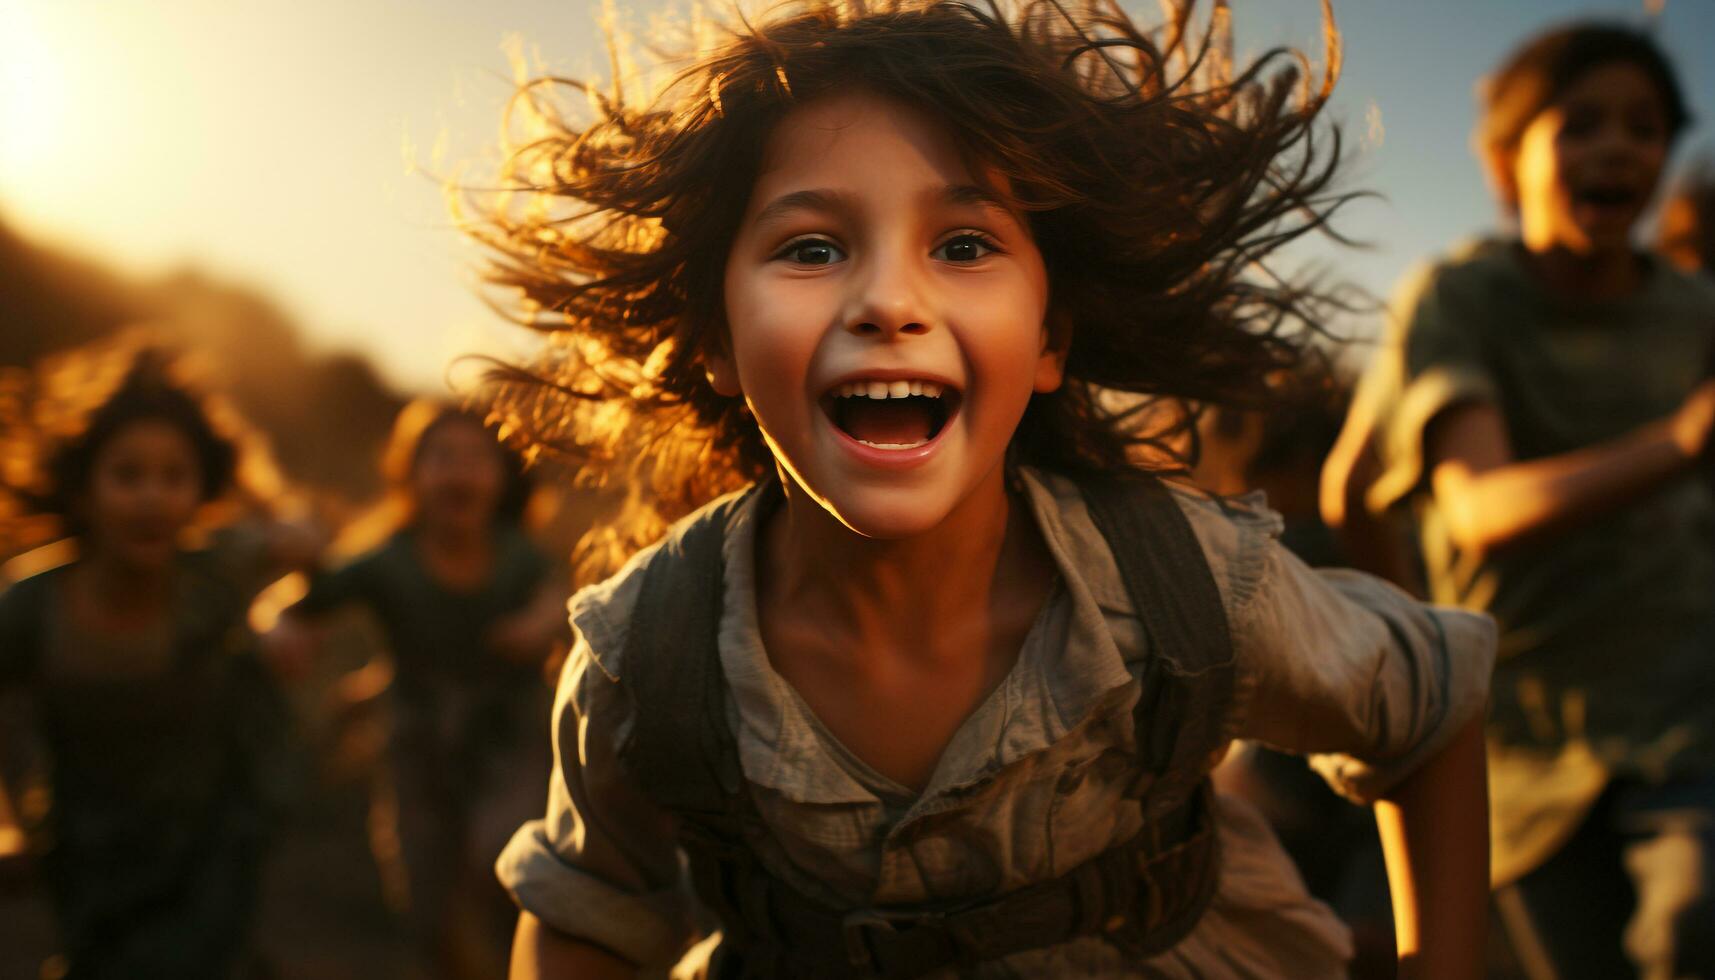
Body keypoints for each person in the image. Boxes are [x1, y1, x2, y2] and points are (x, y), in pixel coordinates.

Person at [477, 2, 1497, 977]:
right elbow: (587, 916)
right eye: (811, 248)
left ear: (1048, 338)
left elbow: (1426, 709)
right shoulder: (646, 656)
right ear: (717, 343)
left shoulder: (1187, 585)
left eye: (962, 246)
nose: (887, 300)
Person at [1335, 22, 1715, 979]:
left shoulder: (1692, 313)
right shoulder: (1460, 300)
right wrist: (1413, 672)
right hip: (1522, 741)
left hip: (1683, 713)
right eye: (1579, 123)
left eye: (1643, 127)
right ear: (1510, 157)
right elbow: (1475, 512)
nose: (1616, 147)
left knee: (1691, 928)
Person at [0, 348, 317, 978]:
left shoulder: (215, 571)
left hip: (212, 841)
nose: (153, 498)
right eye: (128, 475)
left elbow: (309, 541)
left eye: (175, 477)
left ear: (201, 490)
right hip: (87, 846)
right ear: (82, 490)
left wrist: (273, 621)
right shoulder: (32, 603)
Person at [273, 401, 569, 980]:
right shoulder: (387, 561)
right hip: (415, 743)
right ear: (410, 475)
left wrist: (539, 623)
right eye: (441, 457)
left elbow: (559, 595)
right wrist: (281, 626)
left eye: (476, 459)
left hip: (505, 740)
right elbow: (300, 603)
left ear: (504, 477)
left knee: (500, 856)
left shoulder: (517, 556)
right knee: (424, 888)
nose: (458, 472)